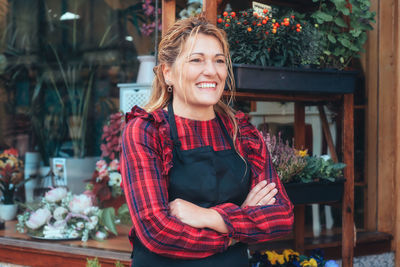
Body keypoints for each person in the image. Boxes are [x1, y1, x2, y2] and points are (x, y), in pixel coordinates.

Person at [120, 16, 294, 267]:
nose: (211, 71)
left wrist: (211, 217)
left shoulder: (243, 133)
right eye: (196, 60)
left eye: (219, 61)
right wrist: (236, 229)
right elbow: (157, 232)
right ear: (167, 73)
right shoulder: (146, 131)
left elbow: (281, 216)